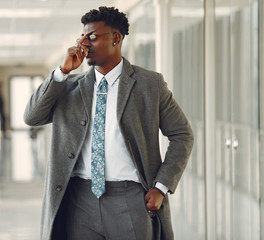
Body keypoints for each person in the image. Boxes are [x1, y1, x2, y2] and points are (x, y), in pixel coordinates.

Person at [24, 6, 194, 240]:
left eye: (92, 37)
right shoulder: (68, 86)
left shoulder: (149, 85)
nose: (84, 44)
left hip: (131, 200)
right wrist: (62, 72)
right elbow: (32, 117)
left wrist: (161, 186)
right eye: (81, 38)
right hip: (79, 200)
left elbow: (182, 135)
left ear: (116, 38)